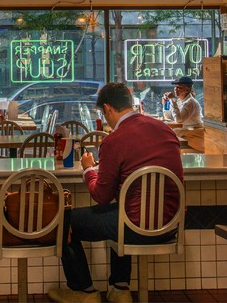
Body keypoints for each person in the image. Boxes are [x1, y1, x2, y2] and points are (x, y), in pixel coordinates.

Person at [48, 82, 183, 303]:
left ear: (108, 109)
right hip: (171, 225)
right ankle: (120, 289)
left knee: (63, 220)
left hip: (134, 227)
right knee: (122, 211)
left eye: (104, 113)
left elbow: (101, 196)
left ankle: (84, 292)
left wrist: (89, 170)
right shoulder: (165, 130)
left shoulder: (113, 141)